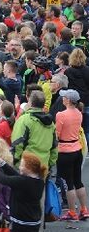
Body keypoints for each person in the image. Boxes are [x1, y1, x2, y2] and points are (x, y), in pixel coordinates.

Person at [55, 89, 89, 220]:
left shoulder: (61, 115)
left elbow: (57, 134)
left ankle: (72, 211)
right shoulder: (78, 113)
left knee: (68, 183)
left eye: (64, 97)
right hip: (77, 149)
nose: (62, 99)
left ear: (68, 100)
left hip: (64, 151)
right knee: (78, 181)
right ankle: (84, 209)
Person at [0, 151, 46, 231]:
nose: (19, 167)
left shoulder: (23, 182)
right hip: (33, 221)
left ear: (28, 168)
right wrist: (0, 162)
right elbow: (15, 175)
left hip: (22, 223)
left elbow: (4, 179)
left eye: (21, 165)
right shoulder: (38, 180)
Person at [11, 90, 58, 168]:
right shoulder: (51, 123)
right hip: (43, 166)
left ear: (30, 102)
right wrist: (50, 164)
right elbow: (55, 146)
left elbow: (17, 143)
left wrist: (16, 162)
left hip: (27, 166)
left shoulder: (24, 120)